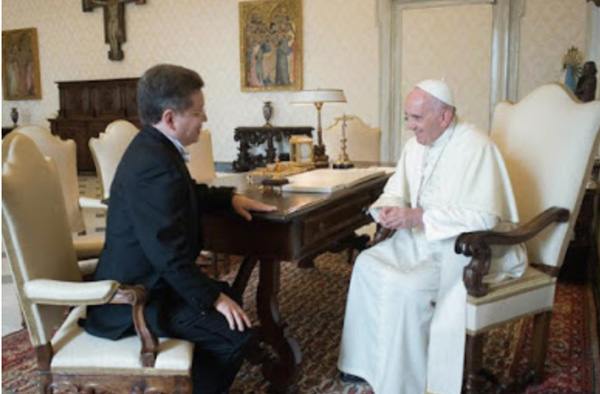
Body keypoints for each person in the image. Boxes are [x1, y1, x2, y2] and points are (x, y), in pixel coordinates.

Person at [84, 64, 276, 394]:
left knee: (228, 301)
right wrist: (212, 298)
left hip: (153, 285)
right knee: (235, 335)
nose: (204, 119)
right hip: (134, 299)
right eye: (198, 112)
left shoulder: (155, 149)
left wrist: (230, 199)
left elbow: (188, 192)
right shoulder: (154, 165)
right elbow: (169, 259)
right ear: (171, 118)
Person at [337, 80, 527, 394]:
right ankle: (363, 366)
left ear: (444, 117)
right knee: (367, 264)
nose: (410, 127)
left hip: (461, 249)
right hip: (416, 240)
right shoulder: (415, 146)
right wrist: (388, 210)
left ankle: (407, 382)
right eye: (407, 118)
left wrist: (420, 217)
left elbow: (484, 217)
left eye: (417, 119)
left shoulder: (477, 147)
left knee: (406, 286)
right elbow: (395, 191)